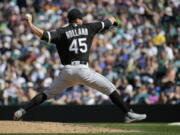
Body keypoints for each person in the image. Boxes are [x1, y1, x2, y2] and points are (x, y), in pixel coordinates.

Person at [14, 8, 147, 123]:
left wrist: (30, 24)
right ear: (78, 19)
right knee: (110, 88)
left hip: (67, 72)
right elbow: (111, 19)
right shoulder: (89, 27)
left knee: (47, 93)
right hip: (83, 70)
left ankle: (22, 110)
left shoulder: (62, 31)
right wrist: (115, 22)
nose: (82, 20)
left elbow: (42, 34)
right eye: (81, 18)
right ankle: (128, 113)